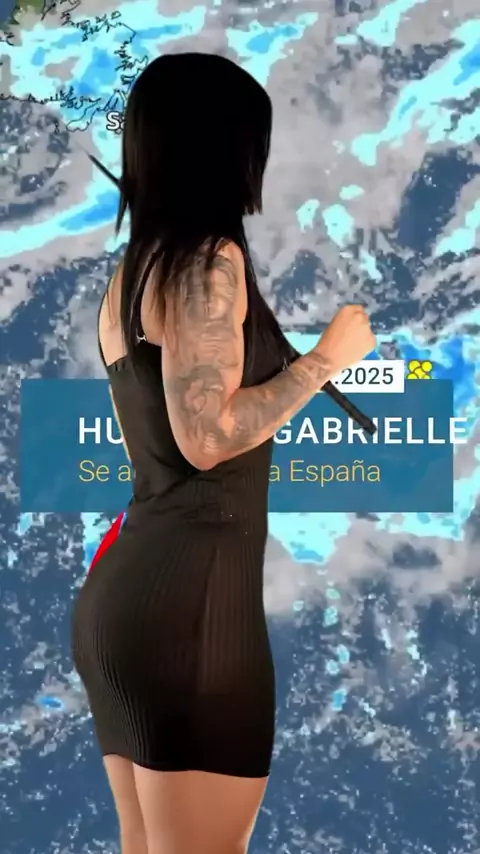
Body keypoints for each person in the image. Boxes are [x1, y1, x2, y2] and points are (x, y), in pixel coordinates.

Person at [71, 52, 375, 854]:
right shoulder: (207, 263)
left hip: (129, 604)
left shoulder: (132, 274)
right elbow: (207, 440)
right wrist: (325, 360)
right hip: (193, 611)